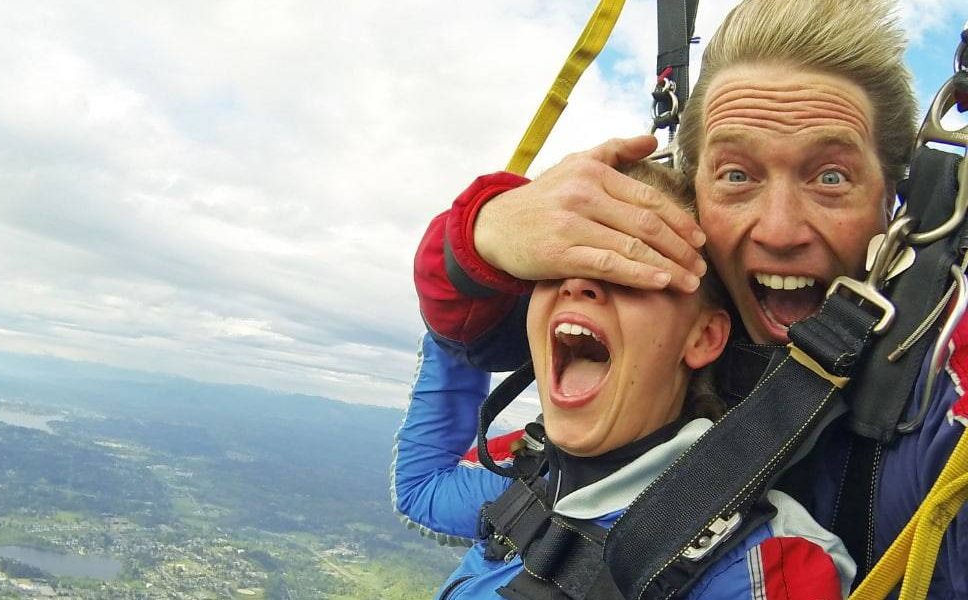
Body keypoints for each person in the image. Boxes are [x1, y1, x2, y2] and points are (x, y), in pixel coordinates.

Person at [410, 0, 968, 596]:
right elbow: (459, 364)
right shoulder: (625, 398)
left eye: (830, 177)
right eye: (736, 175)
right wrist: (482, 230)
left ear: (894, 203)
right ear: (694, 193)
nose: (779, 231)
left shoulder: (932, 397)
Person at [393, 161, 855, 599]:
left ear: (703, 336)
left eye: (631, 271)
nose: (576, 285)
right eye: (555, 267)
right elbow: (423, 490)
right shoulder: (531, 470)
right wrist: (469, 275)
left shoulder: (759, 564)